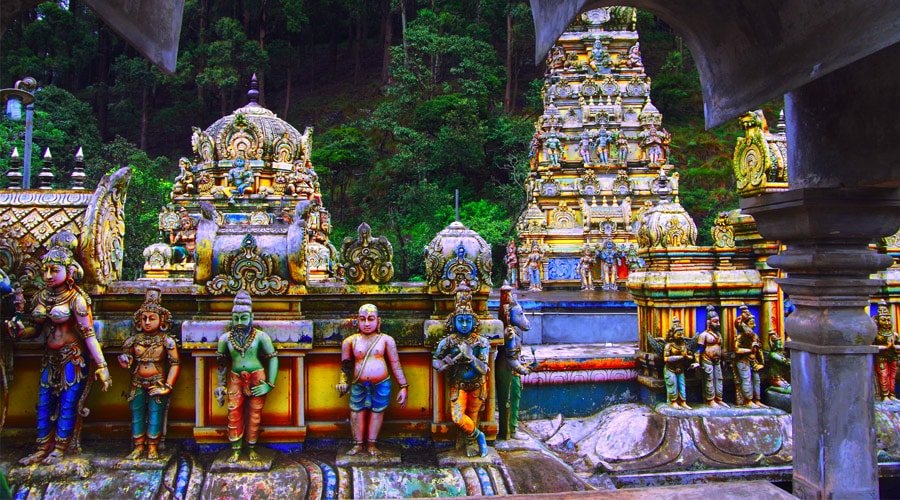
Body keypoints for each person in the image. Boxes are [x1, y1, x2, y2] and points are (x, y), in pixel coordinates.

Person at [9, 231, 112, 465]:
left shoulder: (77, 299)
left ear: (70, 272)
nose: (47, 276)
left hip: (73, 358)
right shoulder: (42, 297)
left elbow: (89, 335)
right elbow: (34, 331)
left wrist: (102, 365)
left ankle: (61, 448)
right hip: (50, 356)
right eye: (45, 270)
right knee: (44, 402)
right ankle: (42, 447)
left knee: (68, 403)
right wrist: (17, 331)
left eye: (54, 270)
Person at [336, 304, 409, 456]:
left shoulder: (386, 340)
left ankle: (372, 444)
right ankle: (357, 444)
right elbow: (346, 365)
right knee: (356, 412)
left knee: (377, 412)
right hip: (358, 383)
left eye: (371, 319)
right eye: (363, 319)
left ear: (378, 321)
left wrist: (403, 386)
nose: (367, 324)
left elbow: (395, 364)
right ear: (357, 321)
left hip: (381, 383)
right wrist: (343, 381)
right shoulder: (350, 341)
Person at [214, 291, 278, 462]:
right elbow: (221, 364)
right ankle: (235, 449)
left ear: (252, 316)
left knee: (255, 414)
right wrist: (220, 385)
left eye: (244, 318)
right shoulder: (225, 339)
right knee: (233, 412)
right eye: (236, 318)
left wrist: (269, 384)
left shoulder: (261, 337)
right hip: (235, 378)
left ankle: (251, 447)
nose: (240, 322)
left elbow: (273, 358)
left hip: (257, 377)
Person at [118, 288, 180, 459]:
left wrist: (167, 386)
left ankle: (153, 446)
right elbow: (127, 360)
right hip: (137, 381)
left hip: (158, 381)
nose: (147, 322)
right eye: (143, 318)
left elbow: (175, 363)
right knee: (137, 412)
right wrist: (124, 360)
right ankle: (138, 446)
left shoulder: (166, 341)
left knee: (155, 414)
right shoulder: (133, 340)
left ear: (161, 321)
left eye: (151, 318)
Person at [432, 285, 491, 457]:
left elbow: (484, 369)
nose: (464, 324)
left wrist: (471, 357)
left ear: (474, 322)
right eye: (460, 320)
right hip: (458, 385)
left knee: (472, 417)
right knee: (457, 417)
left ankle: (469, 445)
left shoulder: (481, 342)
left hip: (478, 385)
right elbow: (436, 359)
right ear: (453, 321)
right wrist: (444, 363)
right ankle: (479, 436)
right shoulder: (449, 341)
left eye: (468, 320)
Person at [497, 285, 532, 439]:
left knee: (514, 397)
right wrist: (522, 369)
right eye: (519, 315)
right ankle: (507, 431)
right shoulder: (509, 333)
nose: (524, 319)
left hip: (511, 367)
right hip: (507, 368)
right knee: (507, 400)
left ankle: (513, 428)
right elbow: (510, 358)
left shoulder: (514, 330)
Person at [692, 305, 728, 408]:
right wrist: (697, 363)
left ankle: (719, 398)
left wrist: (724, 358)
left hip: (717, 361)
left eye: (718, 321)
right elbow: (699, 350)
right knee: (709, 379)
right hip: (707, 360)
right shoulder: (704, 335)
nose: (718, 324)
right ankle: (710, 400)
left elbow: (721, 348)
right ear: (709, 322)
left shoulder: (719, 334)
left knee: (719, 379)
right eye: (715, 321)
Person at [733, 306, 765, 407]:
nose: (754, 326)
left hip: (754, 361)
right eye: (751, 324)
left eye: (754, 323)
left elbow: (759, 350)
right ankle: (748, 400)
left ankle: (757, 399)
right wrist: (749, 350)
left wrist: (762, 363)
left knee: (756, 380)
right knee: (746, 379)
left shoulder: (755, 336)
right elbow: (736, 349)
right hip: (743, 360)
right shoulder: (741, 336)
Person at [873, 300, 899, 402]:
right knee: (883, 375)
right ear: (877, 320)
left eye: (888, 320)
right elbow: (871, 347)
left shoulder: (894, 334)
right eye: (883, 320)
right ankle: (885, 395)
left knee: (892, 377)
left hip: (893, 356)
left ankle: (892, 394)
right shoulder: (876, 334)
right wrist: (886, 347)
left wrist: (893, 346)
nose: (886, 322)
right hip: (881, 357)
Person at [663, 319, 691, 409]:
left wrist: (686, 356)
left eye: (682, 334)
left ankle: (683, 401)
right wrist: (681, 357)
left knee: (682, 386)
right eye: (678, 334)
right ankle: (673, 401)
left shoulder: (684, 345)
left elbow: (690, 357)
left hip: (680, 369)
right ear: (673, 335)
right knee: (672, 385)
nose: (680, 336)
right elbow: (666, 358)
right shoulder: (669, 346)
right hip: (670, 369)